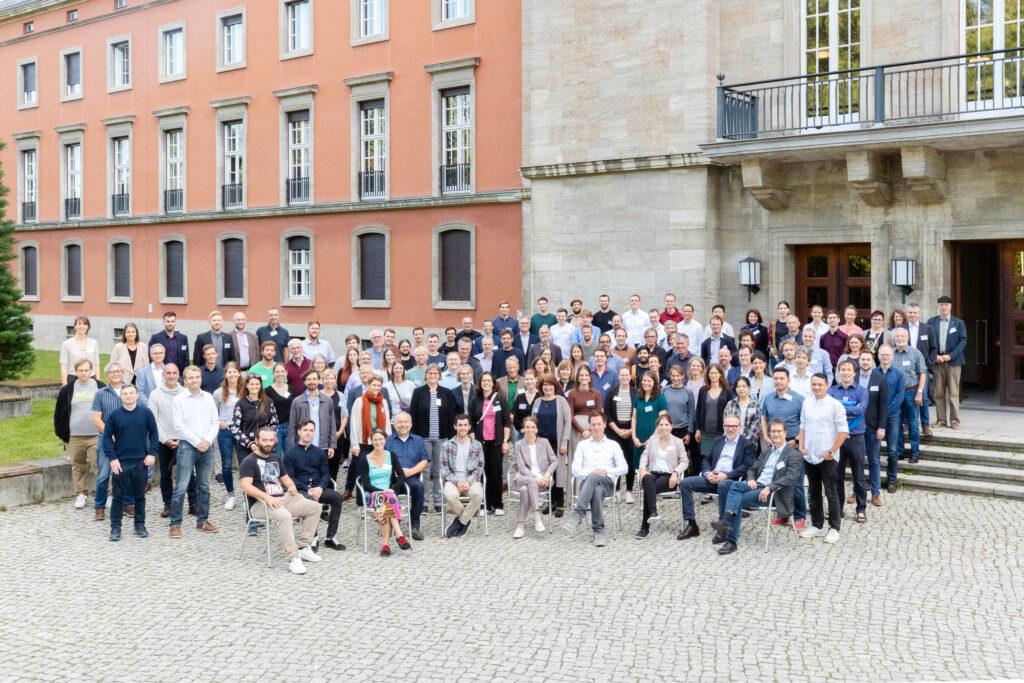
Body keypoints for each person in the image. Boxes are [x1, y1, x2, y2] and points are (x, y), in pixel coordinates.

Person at [711, 418, 803, 555]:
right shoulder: (767, 451)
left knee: (738, 500)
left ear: (785, 433)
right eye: (773, 431)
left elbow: (790, 478)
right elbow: (752, 468)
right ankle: (726, 521)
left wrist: (769, 487)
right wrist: (751, 479)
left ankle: (731, 540)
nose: (776, 434)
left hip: (774, 493)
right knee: (733, 485)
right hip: (757, 485)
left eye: (779, 431)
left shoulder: (793, 455)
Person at [239, 427, 323, 575]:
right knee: (285, 516)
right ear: (257, 441)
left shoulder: (275, 458)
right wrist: (267, 497)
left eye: (271, 440)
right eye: (264, 440)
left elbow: (285, 479)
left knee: (315, 507)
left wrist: (291, 486)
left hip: (281, 499)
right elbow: (245, 486)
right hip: (260, 504)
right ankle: (293, 558)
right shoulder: (249, 461)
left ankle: (303, 547)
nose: (268, 443)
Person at [676, 414, 756, 541]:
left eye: (734, 426)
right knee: (685, 483)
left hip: (731, 481)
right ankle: (691, 524)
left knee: (724, 485)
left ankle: (722, 527)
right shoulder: (718, 441)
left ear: (739, 427)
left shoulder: (747, 444)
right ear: (723, 426)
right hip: (712, 478)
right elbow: (706, 460)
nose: (730, 429)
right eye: (728, 426)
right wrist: (708, 474)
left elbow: (747, 465)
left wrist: (726, 475)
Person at [102, 384, 159, 541]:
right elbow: (106, 438)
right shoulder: (114, 415)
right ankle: (115, 527)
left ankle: (139, 525)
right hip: (120, 462)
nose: (128, 395)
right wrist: (112, 458)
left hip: (141, 462)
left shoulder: (145, 413)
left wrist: (152, 453)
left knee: (139, 496)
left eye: (131, 393)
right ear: (121, 397)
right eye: (125, 393)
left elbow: (154, 433)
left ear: (136, 395)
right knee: (118, 497)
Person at [562, 412, 628, 546]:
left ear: (604, 425)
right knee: (595, 490)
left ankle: (578, 513)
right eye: (593, 424)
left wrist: (606, 471)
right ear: (590, 426)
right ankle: (598, 532)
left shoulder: (613, 445)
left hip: (608, 484)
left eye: (599, 424)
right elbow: (575, 469)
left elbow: (624, 467)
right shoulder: (582, 445)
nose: (596, 427)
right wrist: (592, 473)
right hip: (588, 484)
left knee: (594, 477)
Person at [169, 365, 220, 538]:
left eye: (197, 377)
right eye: (191, 378)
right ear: (185, 380)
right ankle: (175, 524)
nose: (195, 380)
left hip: (207, 446)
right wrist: (198, 442)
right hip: (187, 446)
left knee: (204, 486)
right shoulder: (179, 400)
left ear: (201, 378)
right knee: (181, 487)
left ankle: (202, 521)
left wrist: (207, 441)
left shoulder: (208, 397)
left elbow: (215, 421)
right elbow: (179, 426)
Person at [797, 374, 849, 544]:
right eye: (814, 384)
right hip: (810, 455)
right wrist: (801, 445)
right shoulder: (807, 402)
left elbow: (843, 432)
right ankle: (817, 524)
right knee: (814, 492)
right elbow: (803, 426)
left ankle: (834, 528)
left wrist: (832, 452)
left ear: (827, 385)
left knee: (831, 492)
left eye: (820, 384)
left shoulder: (835, 405)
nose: (817, 387)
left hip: (828, 457)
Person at [92, 363, 143, 521]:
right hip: (106, 439)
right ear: (107, 375)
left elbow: (138, 411)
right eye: (112, 372)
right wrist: (110, 433)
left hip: (128, 440)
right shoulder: (100, 393)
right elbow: (96, 418)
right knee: (103, 474)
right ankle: (100, 506)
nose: (115, 374)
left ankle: (127, 504)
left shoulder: (130, 391)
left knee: (126, 474)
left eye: (118, 371)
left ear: (123, 373)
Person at [284, 419, 345, 551]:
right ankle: (313, 538)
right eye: (305, 430)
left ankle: (330, 537)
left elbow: (325, 474)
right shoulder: (290, 453)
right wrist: (308, 489)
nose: (308, 433)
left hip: (318, 489)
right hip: (300, 491)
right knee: (308, 499)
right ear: (299, 432)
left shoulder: (319, 452)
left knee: (337, 497)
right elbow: (290, 478)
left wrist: (320, 487)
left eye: (311, 430)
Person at [760, 367, 807, 529]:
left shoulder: (799, 399)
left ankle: (801, 515)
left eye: (782, 378)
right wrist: (766, 436)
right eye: (776, 378)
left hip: (792, 444)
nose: (778, 381)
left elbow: (805, 424)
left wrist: (796, 440)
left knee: (796, 481)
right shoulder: (768, 398)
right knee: (777, 479)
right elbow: (764, 418)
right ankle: (783, 515)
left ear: (788, 380)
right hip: (774, 444)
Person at [54, 359, 103, 510]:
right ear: (76, 371)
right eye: (80, 370)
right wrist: (62, 434)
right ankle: (81, 494)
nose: (83, 373)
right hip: (74, 436)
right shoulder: (67, 390)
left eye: (86, 370)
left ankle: (106, 494)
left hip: (96, 434)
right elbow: (59, 413)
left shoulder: (100, 387)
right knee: (77, 466)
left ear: (91, 371)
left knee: (99, 465)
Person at [409, 365, 458, 513]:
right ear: (426, 375)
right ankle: (423, 502)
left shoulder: (446, 393)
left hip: (441, 438)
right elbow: (413, 415)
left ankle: (438, 501)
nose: (432, 375)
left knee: (438, 471)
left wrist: (450, 437)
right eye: (429, 373)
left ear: (439, 375)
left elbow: (451, 416)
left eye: (435, 373)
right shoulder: (418, 392)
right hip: (423, 438)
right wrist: (415, 438)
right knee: (424, 471)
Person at [148, 363, 195, 519]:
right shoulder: (155, 394)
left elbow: (190, 418)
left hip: (184, 439)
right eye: (168, 373)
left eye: (175, 373)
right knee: (165, 473)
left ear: (179, 374)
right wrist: (165, 439)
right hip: (164, 439)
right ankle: (168, 504)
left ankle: (193, 503)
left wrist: (184, 437)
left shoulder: (185, 392)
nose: (171, 376)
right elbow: (153, 419)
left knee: (188, 472)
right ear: (163, 375)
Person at [829, 360, 869, 523]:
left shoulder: (862, 391)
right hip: (837, 439)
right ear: (838, 372)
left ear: (854, 373)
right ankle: (838, 509)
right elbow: (829, 411)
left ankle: (861, 509)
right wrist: (850, 407)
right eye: (842, 370)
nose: (845, 372)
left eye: (848, 370)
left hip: (856, 438)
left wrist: (840, 408)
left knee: (858, 476)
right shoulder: (832, 390)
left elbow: (861, 410)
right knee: (836, 476)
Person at [635, 415, 687, 538]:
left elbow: (685, 462)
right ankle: (653, 511)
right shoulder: (653, 439)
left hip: (669, 476)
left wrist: (675, 473)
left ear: (671, 426)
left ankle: (644, 528)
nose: (664, 427)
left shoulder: (678, 442)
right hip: (652, 473)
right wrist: (642, 469)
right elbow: (644, 456)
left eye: (666, 425)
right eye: (661, 425)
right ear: (657, 427)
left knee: (649, 489)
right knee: (647, 479)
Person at [468, 372, 511, 515]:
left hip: (496, 442)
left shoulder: (500, 398)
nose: (486, 383)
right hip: (480, 442)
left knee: (496, 473)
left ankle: (497, 504)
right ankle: (484, 505)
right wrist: (474, 441)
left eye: (488, 380)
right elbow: (472, 423)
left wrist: (505, 441)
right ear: (480, 383)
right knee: (480, 473)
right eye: (483, 381)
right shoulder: (475, 399)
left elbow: (506, 421)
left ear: (493, 383)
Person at [530, 373, 572, 515]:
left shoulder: (561, 401)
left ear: (555, 386)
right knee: (545, 472)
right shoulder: (537, 402)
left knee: (558, 473)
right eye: (545, 385)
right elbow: (533, 422)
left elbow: (567, 422)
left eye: (550, 384)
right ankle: (550, 503)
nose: (547, 387)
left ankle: (559, 504)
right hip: (541, 444)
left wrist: (564, 441)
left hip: (557, 442)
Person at [385, 412, 430, 540]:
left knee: (418, 487)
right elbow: (382, 458)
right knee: (386, 491)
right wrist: (393, 470)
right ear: (394, 424)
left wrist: (409, 472)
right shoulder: (389, 440)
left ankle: (415, 526)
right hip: (392, 478)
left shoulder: (418, 440)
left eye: (406, 422)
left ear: (410, 424)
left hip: (410, 477)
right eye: (400, 422)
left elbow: (424, 460)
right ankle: (390, 522)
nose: (403, 425)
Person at [511, 416, 557, 538]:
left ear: (537, 429)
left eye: (532, 427)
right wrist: (535, 477)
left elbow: (554, 461)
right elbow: (521, 467)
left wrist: (547, 475)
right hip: (523, 477)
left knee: (524, 490)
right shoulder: (518, 444)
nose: (530, 430)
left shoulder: (544, 442)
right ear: (522, 430)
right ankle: (537, 516)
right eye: (527, 427)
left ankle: (520, 526)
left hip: (542, 481)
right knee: (529, 482)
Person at [441, 415, 486, 538]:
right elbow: (444, 468)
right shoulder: (447, 445)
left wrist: (468, 481)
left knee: (478, 495)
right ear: (455, 426)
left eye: (465, 425)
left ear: (469, 427)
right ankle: (467, 520)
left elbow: (480, 466)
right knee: (450, 495)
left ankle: (460, 522)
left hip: (471, 479)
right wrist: (457, 482)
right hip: (453, 479)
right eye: (460, 425)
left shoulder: (476, 445)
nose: (463, 428)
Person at [928, 295, 967, 430]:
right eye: (941, 305)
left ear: (950, 307)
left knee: (953, 392)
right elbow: (928, 341)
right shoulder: (931, 322)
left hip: (953, 362)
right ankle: (941, 420)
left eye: (946, 305)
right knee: (938, 392)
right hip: (938, 361)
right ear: (938, 307)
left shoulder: (958, 323)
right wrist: (935, 356)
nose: (944, 307)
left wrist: (950, 356)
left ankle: (955, 420)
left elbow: (963, 341)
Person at [856, 351, 888, 507]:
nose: (865, 362)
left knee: (874, 460)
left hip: (873, 427)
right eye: (863, 359)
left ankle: (876, 493)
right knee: (857, 461)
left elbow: (883, 407)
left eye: (868, 359)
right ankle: (857, 492)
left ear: (872, 362)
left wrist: (882, 427)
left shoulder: (880, 379)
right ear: (859, 361)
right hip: (854, 428)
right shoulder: (853, 377)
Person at [892, 328, 928, 465]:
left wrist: (919, 392)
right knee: (897, 423)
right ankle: (899, 452)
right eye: (897, 336)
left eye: (902, 336)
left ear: (907, 337)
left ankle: (914, 453)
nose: (899, 338)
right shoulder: (892, 354)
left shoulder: (915, 353)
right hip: (896, 393)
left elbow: (922, 374)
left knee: (913, 423)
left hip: (912, 392)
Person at [629, 372, 668, 499]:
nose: (646, 383)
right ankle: (642, 492)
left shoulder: (660, 398)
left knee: (652, 465)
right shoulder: (637, 397)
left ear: (654, 383)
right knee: (640, 465)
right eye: (644, 381)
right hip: (639, 437)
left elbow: (662, 421)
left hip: (654, 437)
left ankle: (651, 493)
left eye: (649, 381)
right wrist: (634, 436)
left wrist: (652, 438)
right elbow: (634, 418)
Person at [287, 369, 337, 462]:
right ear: (305, 381)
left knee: (321, 472)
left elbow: (332, 425)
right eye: (309, 379)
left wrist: (332, 445)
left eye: (314, 379)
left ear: (319, 381)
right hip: (302, 445)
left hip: (322, 445)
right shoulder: (297, 401)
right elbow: (292, 426)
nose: (312, 382)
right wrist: (292, 447)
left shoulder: (327, 400)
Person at [231, 373, 279, 467]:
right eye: (252, 384)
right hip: (245, 446)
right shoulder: (240, 404)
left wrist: (266, 440)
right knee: (248, 476)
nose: (254, 386)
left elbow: (274, 424)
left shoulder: (269, 402)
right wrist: (250, 443)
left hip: (265, 445)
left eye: (257, 384)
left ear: (260, 385)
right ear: (247, 385)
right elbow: (235, 428)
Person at [877, 345, 907, 493]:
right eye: (882, 354)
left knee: (893, 450)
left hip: (893, 417)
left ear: (892, 357)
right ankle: (874, 480)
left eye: (888, 355)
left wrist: (886, 412)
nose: (885, 357)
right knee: (873, 451)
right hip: (875, 418)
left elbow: (900, 396)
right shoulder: (872, 374)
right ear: (878, 356)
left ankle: (891, 481)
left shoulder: (899, 374)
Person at [214, 363, 243, 508]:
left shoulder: (245, 390)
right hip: (225, 431)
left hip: (242, 431)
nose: (232, 375)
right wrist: (219, 423)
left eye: (235, 372)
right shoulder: (218, 393)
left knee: (244, 464)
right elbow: (213, 413)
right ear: (225, 374)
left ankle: (247, 497)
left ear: (239, 373)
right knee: (226, 465)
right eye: (229, 372)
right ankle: (231, 496)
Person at [905, 303, 937, 436]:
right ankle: (906, 423)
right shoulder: (901, 328)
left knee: (923, 397)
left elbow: (934, 348)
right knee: (906, 398)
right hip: (906, 370)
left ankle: (925, 425)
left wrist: (928, 364)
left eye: (915, 312)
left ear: (919, 313)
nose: (912, 315)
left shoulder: (927, 328)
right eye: (910, 312)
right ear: (907, 314)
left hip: (923, 369)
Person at [694, 364, 733, 459]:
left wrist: (728, 430)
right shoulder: (703, 390)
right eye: (711, 373)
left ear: (720, 374)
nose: (713, 375)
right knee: (705, 458)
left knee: (719, 458)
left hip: (721, 432)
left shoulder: (727, 391)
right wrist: (698, 429)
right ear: (708, 374)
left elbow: (731, 412)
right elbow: (698, 410)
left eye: (716, 373)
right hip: (705, 432)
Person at [265, 363, 295, 459]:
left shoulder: (291, 388)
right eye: (277, 371)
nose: (280, 374)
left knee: (289, 457)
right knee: (275, 457)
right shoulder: (267, 391)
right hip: (275, 428)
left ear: (286, 373)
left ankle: (288, 474)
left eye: (282, 371)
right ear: (273, 374)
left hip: (289, 426)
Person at [60, 315, 99, 385]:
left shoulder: (94, 343)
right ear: (75, 326)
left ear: (88, 327)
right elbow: (64, 366)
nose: (82, 326)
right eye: (79, 324)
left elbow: (96, 364)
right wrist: (64, 385)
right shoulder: (66, 344)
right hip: (73, 379)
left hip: (91, 379)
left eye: (85, 324)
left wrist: (98, 382)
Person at [724, 376, 762, 446]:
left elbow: (756, 426)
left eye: (744, 386)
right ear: (735, 389)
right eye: (739, 387)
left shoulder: (755, 405)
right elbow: (726, 423)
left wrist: (743, 442)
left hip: (750, 444)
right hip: (732, 442)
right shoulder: (731, 404)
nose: (741, 389)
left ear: (749, 388)